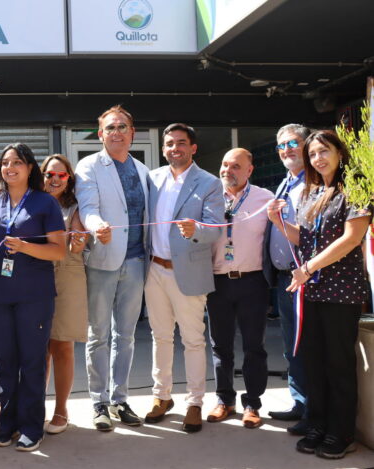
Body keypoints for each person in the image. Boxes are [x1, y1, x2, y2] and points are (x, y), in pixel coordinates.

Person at [267, 130, 371, 459]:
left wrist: (308, 268)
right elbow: (306, 239)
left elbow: (352, 238)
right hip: (312, 290)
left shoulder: (353, 188)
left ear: (340, 152)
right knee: (314, 361)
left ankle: (341, 432)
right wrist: (280, 223)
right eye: (312, 154)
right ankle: (318, 423)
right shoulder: (313, 193)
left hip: (342, 291)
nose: (318, 158)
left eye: (324, 151)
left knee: (338, 363)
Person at [0, 143, 66, 452]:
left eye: (17, 162)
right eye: (4, 162)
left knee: (31, 361)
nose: (9, 167)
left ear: (30, 168)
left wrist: (26, 246)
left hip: (33, 295)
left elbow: (59, 250)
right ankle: (8, 423)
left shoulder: (45, 203)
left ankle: (31, 426)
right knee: (4, 361)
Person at [145, 123, 224, 433]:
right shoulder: (153, 179)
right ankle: (161, 397)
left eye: (180, 143)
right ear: (163, 149)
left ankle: (194, 402)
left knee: (192, 340)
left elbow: (216, 228)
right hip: (154, 269)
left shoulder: (209, 183)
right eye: (169, 144)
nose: (174, 148)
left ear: (193, 148)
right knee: (160, 337)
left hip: (188, 271)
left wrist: (197, 231)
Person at [75, 105, 150, 431]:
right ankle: (99, 402)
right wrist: (97, 226)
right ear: (101, 134)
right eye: (110, 128)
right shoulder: (89, 166)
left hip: (136, 262)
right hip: (104, 261)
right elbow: (88, 207)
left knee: (127, 336)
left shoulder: (145, 171)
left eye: (122, 127)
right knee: (99, 336)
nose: (116, 132)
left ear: (132, 133)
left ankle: (120, 399)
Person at [205, 148, 274, 429]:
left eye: (235, 166)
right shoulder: (209, 197)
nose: (227, 170)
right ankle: (224, 400)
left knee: (253, 346)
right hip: (218, 281)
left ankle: (252, 404)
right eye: (224, 164)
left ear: (249, 170)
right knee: (220, 346)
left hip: (252, 282)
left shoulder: (265, 198)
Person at [263, 124, 311, 435]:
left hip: (307, 278)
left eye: (293, 143)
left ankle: (313, 410)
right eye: (282, 145)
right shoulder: (285, 183)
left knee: (306, 345)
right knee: (291, 347)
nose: (287, 149)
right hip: (282, 279)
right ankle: (299, 403)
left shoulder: (315, 185)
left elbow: (310, 236)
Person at [40, 154, 87, 435]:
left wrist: (79, 241)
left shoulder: (75, 208)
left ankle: (61, 409)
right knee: (40, 348)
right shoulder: (33, 204)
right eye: (49, 174)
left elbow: (79, 245)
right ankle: (38, 407)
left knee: (62, 346)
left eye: (61, 175)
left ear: (69, 179)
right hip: (37, 277)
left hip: (68, 278)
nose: (55, 179)